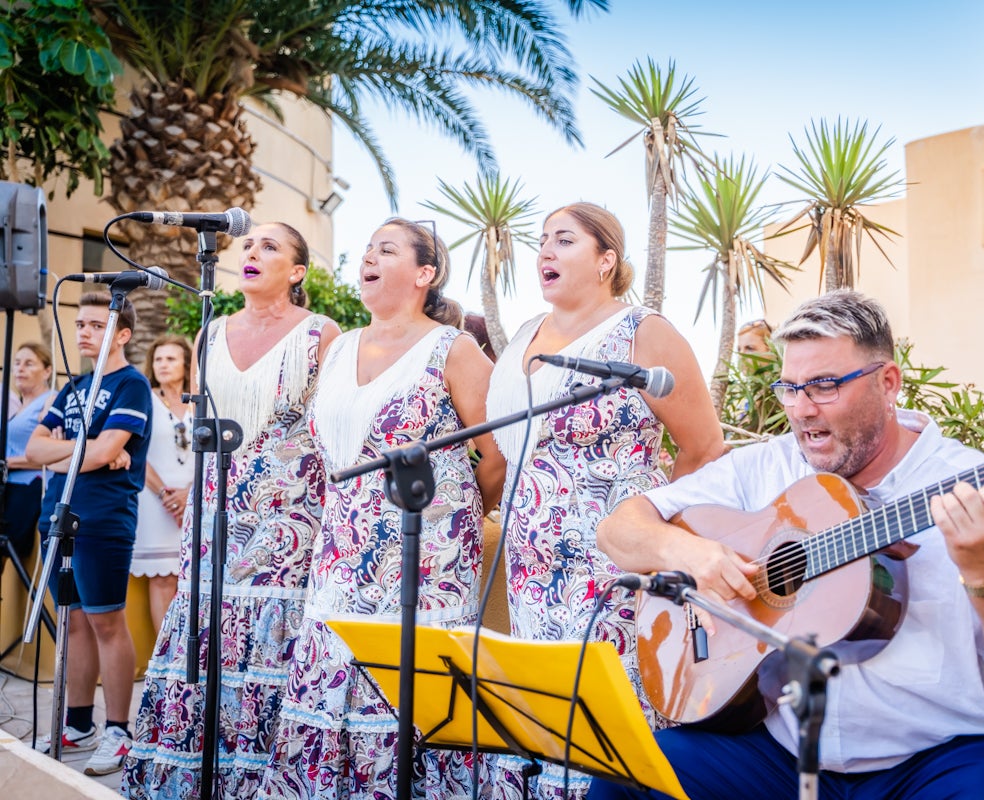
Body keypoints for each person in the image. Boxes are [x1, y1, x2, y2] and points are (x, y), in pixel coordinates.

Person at [589, 289, 984, 800]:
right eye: (790, 388)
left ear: (888, 382)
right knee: (626, 777)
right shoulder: (767, 466)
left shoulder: (980, 492)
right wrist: (692, 554)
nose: (802, 410)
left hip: (943, 755)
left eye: (825, 386)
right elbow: (619, 530)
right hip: (782, 752)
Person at [484, 201, 725, 799]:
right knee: (549, 716)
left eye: (563, 240)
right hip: (533, 570)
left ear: (606, 260)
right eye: (541, 240)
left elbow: (703, 446)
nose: (544, 251)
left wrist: (655, 525)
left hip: (613, 564)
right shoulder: (522, 337)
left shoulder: (645, 332)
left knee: (606, 718)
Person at [259, 218, 505, 799]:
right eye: (367, 249)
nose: (367, 257)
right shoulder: (340, 347)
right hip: (339, 556)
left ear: (426, 273)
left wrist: (458, 518)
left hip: (427, 565)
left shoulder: (455, 348)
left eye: (386, 249)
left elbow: (496, 454)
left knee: (408, 708)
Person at [124, 222, 340, 799]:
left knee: (274, 634)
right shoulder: (209, 333)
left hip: (290, 517)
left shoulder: (322, 334)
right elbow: (200, 431)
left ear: (297, 272)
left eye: (270, 246)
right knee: (208, 625)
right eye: (249, 244)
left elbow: (335, 431)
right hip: (215, 506)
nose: (252, 251)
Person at [25, 292, 153, 776]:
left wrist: (86, 450)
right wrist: (90, 447)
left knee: (105, 621)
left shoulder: (131, 386)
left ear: (121, 334)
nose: (82, 332)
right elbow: (34, 448)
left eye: (96, 325)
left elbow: (103, 456)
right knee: (72, 621)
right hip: (57, 514)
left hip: (103, 518)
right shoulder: (72, 387)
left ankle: (118, 729)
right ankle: (77, 723)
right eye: (79, 324)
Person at [132, 334, 194, 632]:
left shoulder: (202, 402)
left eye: (171, 358)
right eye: (158, 359)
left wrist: (189, 495)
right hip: (154, 499)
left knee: (194, 577)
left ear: (187, 363)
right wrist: (166, 495)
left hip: (197, 500)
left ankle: (192, 661)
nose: (163, 365)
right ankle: (164, 661)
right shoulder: (145, 399)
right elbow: (134, 452)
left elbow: (215, 454)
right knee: (163, 579)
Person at [4, 341, 56, 559]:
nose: (20, 369)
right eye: (17, 363)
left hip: (31, 487)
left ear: (47, 371)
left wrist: (8, 463)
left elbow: (53, 452)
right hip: (10, 487)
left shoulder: (50, 400)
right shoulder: (18, 405)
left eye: (28, 364)